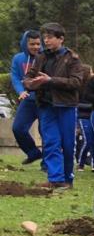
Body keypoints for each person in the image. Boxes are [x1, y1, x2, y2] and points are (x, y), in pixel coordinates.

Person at [23, 22, 84, 189]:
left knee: (67, 143)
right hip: (45, 105)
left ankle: (67, 179)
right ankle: (55, 179)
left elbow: (76, 82)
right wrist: (31, 84)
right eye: (45, 37)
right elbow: (29, 76)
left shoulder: (72, 59)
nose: (46, 40)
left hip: (66, 106)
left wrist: (50, 80)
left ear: (61, 39)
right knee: (50, 141)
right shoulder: (41, 56)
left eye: (50, 37)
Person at [10, 30, 43, 165]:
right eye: (32, 44)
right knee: (18, 128)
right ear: (25, 44)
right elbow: (15, 77)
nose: (35, 47)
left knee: (45, 131)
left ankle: (47, 163)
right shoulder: (18, 59)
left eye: (37, 44)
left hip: (43, 100)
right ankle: (33, 153)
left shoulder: (45, 57)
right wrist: (20, 91)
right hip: (28, 100)